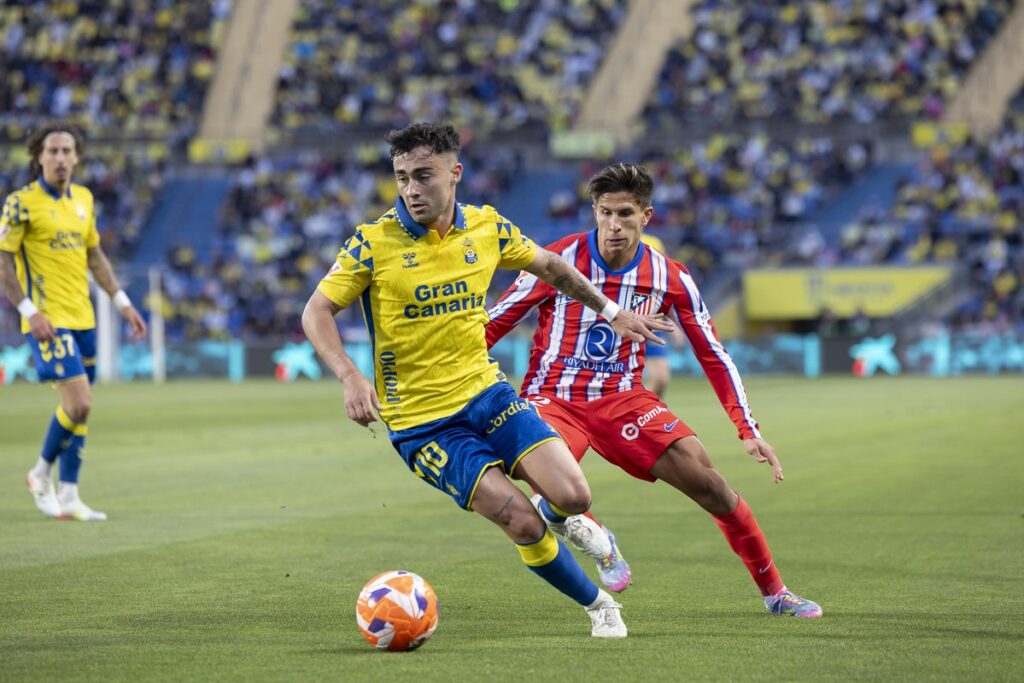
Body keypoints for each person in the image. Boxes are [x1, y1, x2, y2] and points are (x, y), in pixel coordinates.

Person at [301, 123, 672, 638]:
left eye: (423, 176)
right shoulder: (372, 243)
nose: (411, 189)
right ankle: (599, 605)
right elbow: (316, 311)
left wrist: (610, 310)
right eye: (402, 177)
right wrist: (349, 375)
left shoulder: (487, 227)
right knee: (519, 519)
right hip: (422, 423)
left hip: (486, 392)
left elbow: (552, 267)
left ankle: (570, 519)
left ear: (455, 174)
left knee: (574, 496)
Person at [486, 163, 822, 618]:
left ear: (646, 216)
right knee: (541, 471)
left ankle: (776, 594)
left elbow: (713, 353)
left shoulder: (671, 277)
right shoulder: (558, 260)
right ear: (593, 211)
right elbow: (496, 320)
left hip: (625, 399)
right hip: (553, 397)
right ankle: (596, 536)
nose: (613, 225)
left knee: (713, 487)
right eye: (605, 213)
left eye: (625, 214)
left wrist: (746, 428)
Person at [0, 122, 148, 521]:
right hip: (48, 320)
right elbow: (3, 262)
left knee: (81, 410)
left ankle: (70, 495)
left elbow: (95, 257)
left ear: (77, 157)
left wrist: (122, 302)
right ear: (39, 156)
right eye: (53, 151)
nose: (61, 158)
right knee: (79, 401)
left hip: (84, 318)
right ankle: (40, 473)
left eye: (67, 152)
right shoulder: (20, 203)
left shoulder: (83, 199)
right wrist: (30, 311)